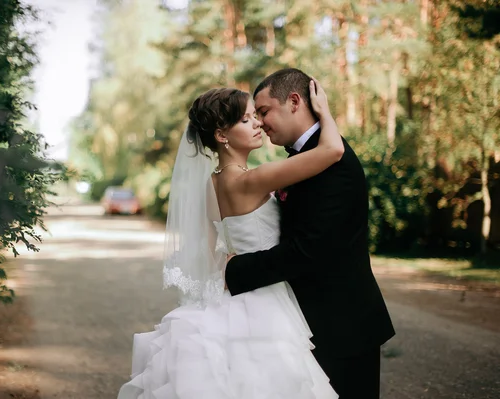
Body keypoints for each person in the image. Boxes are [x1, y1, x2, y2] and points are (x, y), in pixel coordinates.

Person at [117, 78, 343, 399]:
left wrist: (227, 266)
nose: (259, 125)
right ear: (221, 135)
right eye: (246, 120)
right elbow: (333, 150)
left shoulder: (211, 184)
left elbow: (209, 252)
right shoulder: (253, 180)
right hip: (262, 300)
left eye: (256, 115)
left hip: (230, 293)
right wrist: (324, 112)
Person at [225, 68, 396, 399]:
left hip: (341, 326)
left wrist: (234, 270)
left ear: (293, 102)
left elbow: (309, 250)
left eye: (263, 112)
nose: (260, 122)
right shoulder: (308, 157)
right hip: (305, 321)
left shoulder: (334, 162)